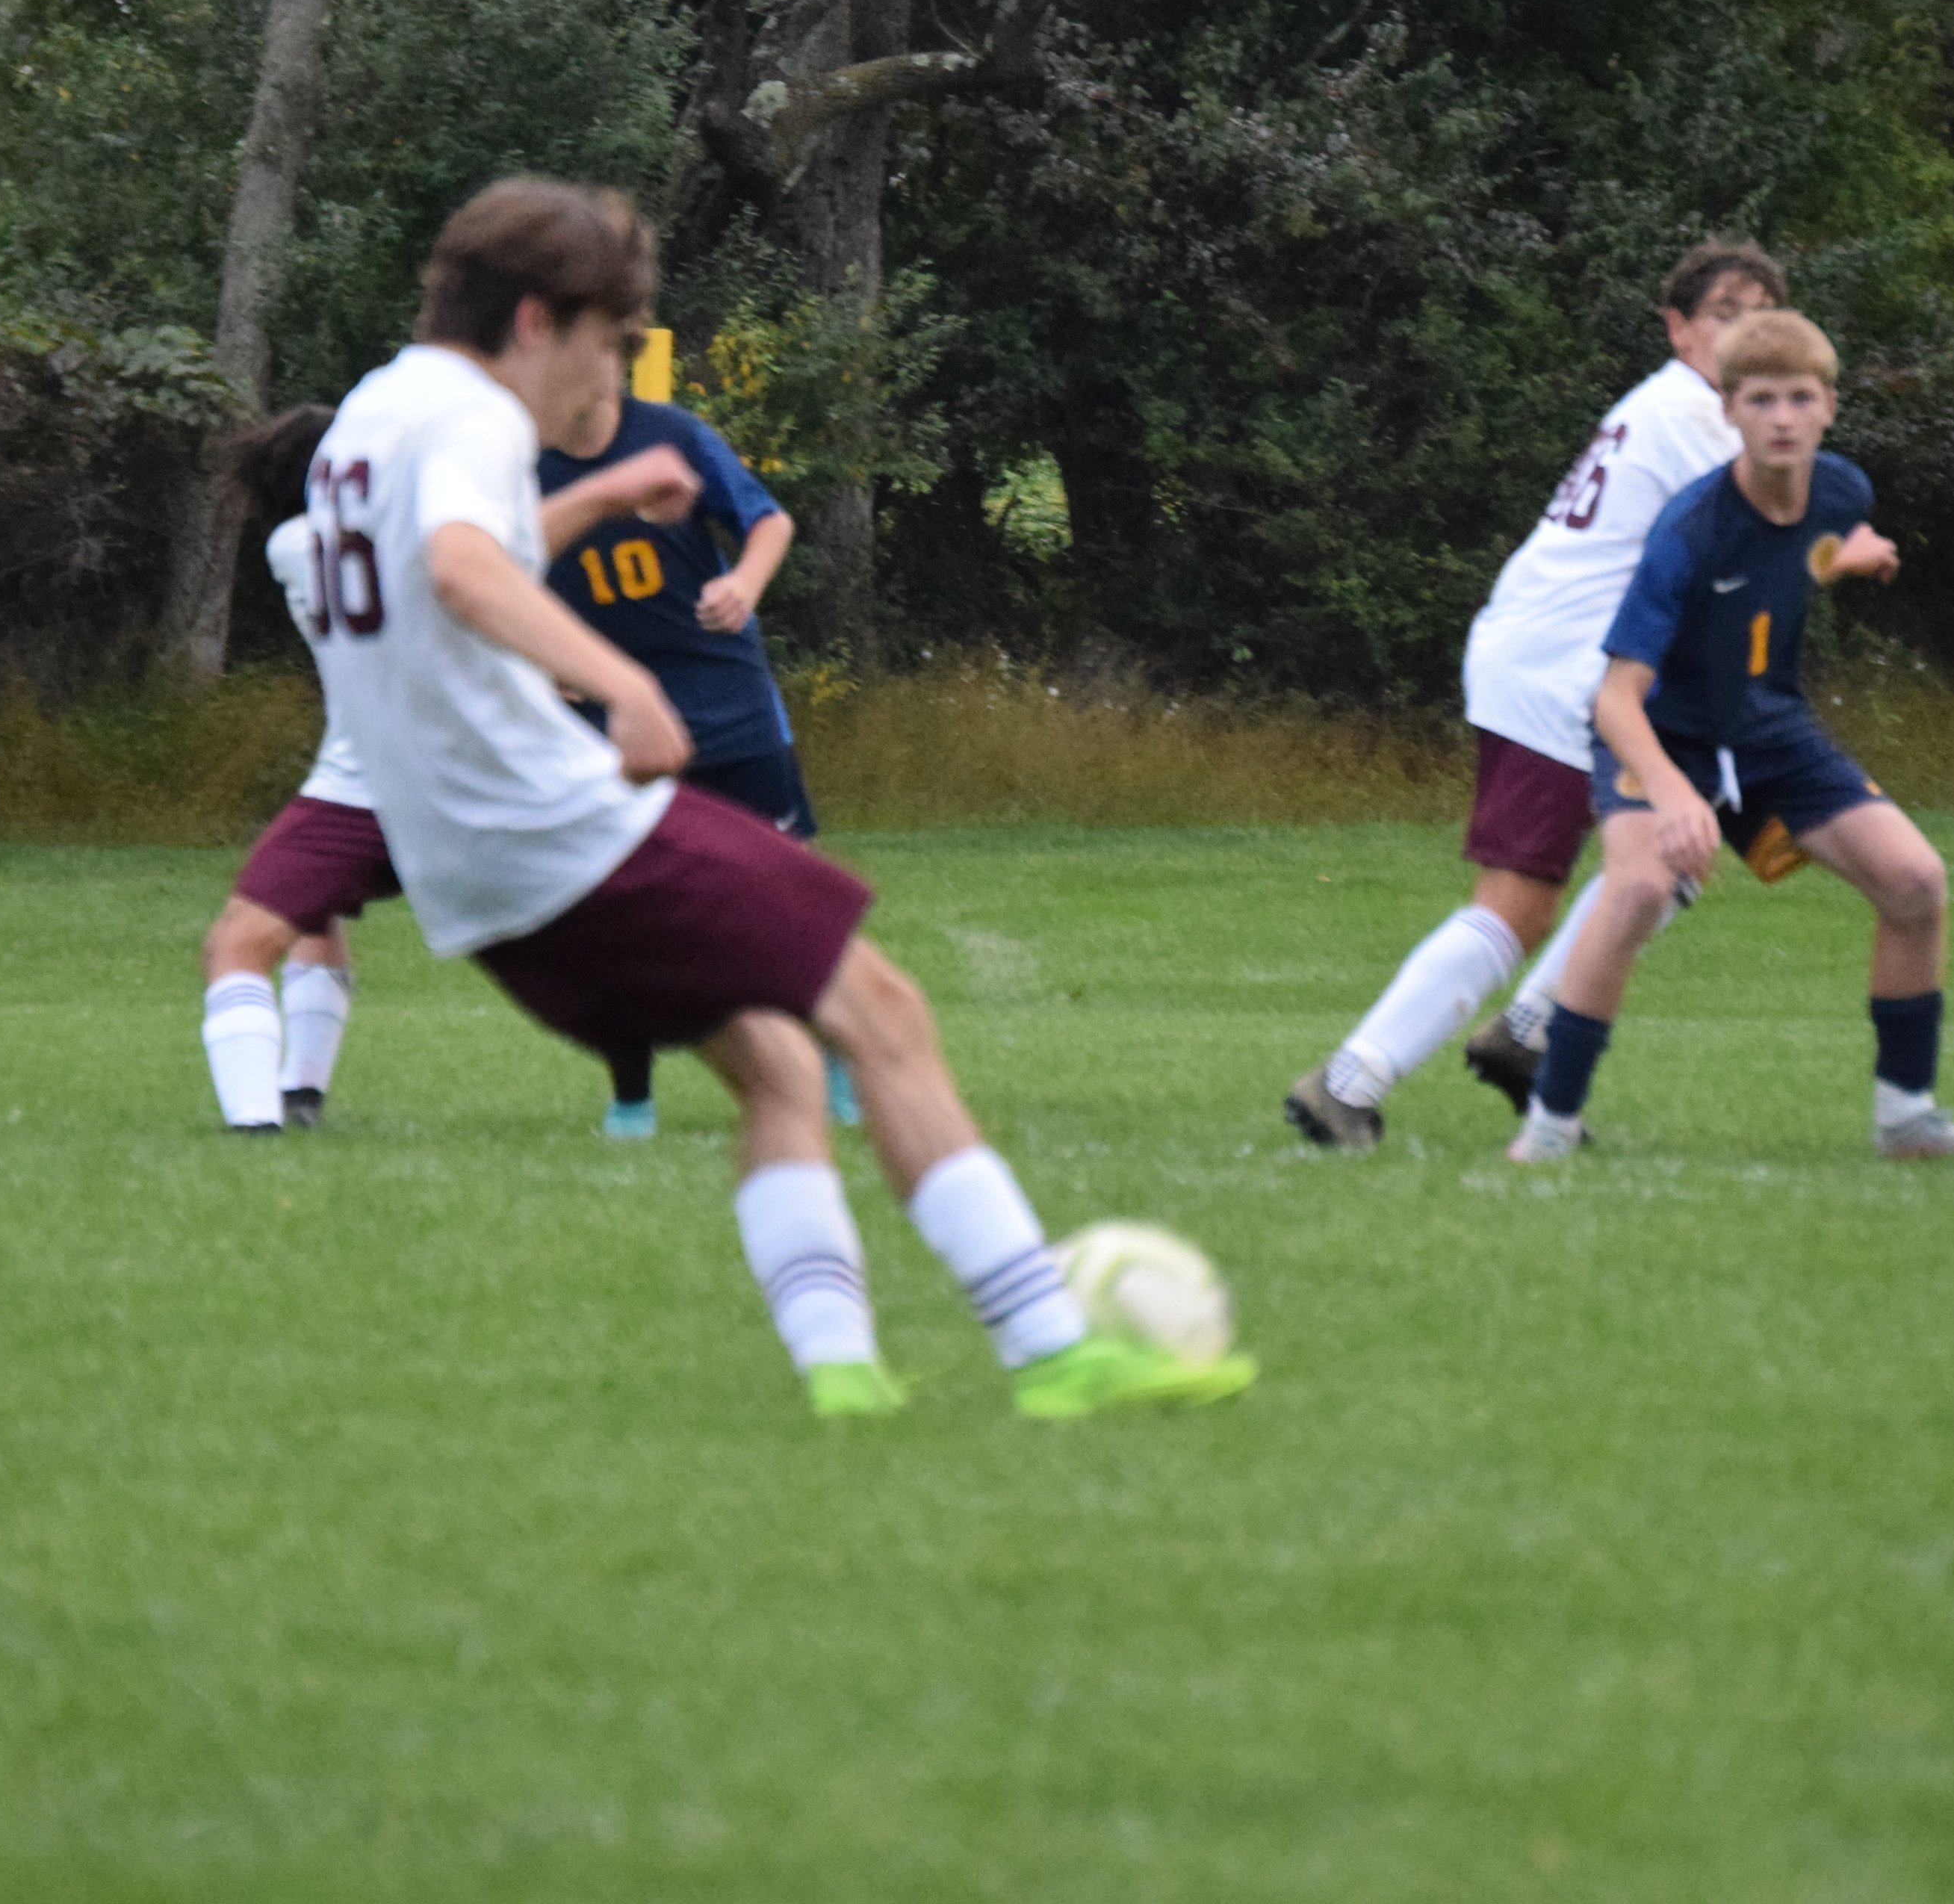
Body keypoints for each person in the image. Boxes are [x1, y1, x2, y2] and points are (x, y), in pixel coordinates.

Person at [294, 177, 1251, 1418]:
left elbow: (459, 557)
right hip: (562, 826)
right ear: (535, 320)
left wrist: (599, 496)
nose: (603, 379)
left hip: (469, 864)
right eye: (605, 345)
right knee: (884, 1010)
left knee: (777, 1066)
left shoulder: (374, 415)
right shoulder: (474, 413)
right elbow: (465, 568)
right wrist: (623, 683)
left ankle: (841, 1373)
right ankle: (1053, 1348)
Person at [1502, 308, 1954, 1166]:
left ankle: (1907, 1122)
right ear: (1728, 412)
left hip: (1770, 733)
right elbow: (1615, 700)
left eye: (1799, 398)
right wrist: (1674, 795)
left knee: (1916, 882)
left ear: (1830, 406)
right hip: (1665, 739)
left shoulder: (1843, 492)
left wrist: (1839, 562)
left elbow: (1786, 563)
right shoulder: (1688, 531)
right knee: (1636, 891)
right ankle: (1549, 1130)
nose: (1782, 418)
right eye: (1760, 400)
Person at [1281, 240, 1780, 1152]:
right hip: (1561, 668)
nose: (1746, 330)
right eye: (1725, 312)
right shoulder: (1691, 416)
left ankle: (1531, 1031)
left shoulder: (1694, 411)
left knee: (1674, 856)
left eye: (1763, 314)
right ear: (1678, 330)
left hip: (1589, 665)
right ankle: (1346, 1084)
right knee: (1520, 899)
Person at [196, 401, 705, 1132]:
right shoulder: (345, 541)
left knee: (246, 941)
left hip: (363, 789)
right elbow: (465, 581)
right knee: (603, 936)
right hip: (455, 788)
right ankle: (287, 1105)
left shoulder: (300, 547)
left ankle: (267, 1115)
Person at [532, 350, 823, 1138]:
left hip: (726, 698)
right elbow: (491, 571)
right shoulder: (520, 464)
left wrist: (745, 584)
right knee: (618, 911)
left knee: (784, 894)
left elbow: (769, 520)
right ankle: (632, 1095)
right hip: (611, 713)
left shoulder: (673, 436)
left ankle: (830, 1050)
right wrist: (539, 660)